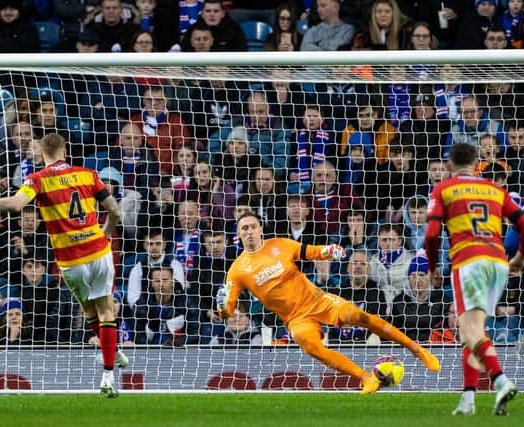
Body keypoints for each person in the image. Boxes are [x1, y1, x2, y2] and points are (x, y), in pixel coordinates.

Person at [0, 133, 125, 398]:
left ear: (43, 154)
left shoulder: (38, 179)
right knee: (105, 311)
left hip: (70, 259)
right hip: (98, 250)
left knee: (89, 309)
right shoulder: (88, 174)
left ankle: (109, 357)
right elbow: (114, 211)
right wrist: (106, 231)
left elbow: (15, 204)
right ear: (65, 151)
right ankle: (109, 372)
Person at [216, 212, 440, 395]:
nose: (248, 231)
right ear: (238, 234)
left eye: (252, 226)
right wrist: (221, 306)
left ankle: (417, 350)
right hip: (295, 318)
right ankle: (365, 377)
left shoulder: (280, 245)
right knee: (310, 346)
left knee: (360, 317)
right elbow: (227, 309)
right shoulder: (237, 270)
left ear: (260, 229)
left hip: (318, 300)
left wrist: (329, 250)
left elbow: (310, 251)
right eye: (244, 228)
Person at [426, 142, 521, 415]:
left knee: (469, 331)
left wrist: (433, 268)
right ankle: (468, 400)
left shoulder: (444, 188)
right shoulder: (495, 189)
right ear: (476, 163)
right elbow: (522, 222)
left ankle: (501, 381)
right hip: (498, 263)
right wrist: (520, 259)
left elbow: (432, 234)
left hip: (469, 261)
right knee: (473, 333)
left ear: (449, 165)